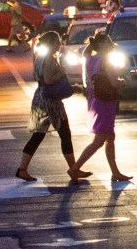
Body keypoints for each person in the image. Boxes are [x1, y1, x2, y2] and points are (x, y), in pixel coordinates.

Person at [15, 32, 91, 182]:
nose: (59, 44)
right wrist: (61, 71)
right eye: (57, 42)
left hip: (41, 97)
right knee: (64, 133)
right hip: (51, 101)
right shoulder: (49, 59)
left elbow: (38, 76)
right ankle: (74, 170)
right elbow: (49, 79)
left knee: (39, 134)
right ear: (51, 43)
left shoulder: (39, 57)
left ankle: (22, 169)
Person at [68, 34, 132, 183]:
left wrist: (93, 42)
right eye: (108, 42)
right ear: (103, 44)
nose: (111, 44)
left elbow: (85, 52)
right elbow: (114, 82)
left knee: (109, 136)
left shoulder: (90, 59)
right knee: (100, 139)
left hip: (95, 100)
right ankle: (75, 168)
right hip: (105, 101)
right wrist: (123, 82)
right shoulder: (106, 61)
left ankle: (115, 171)